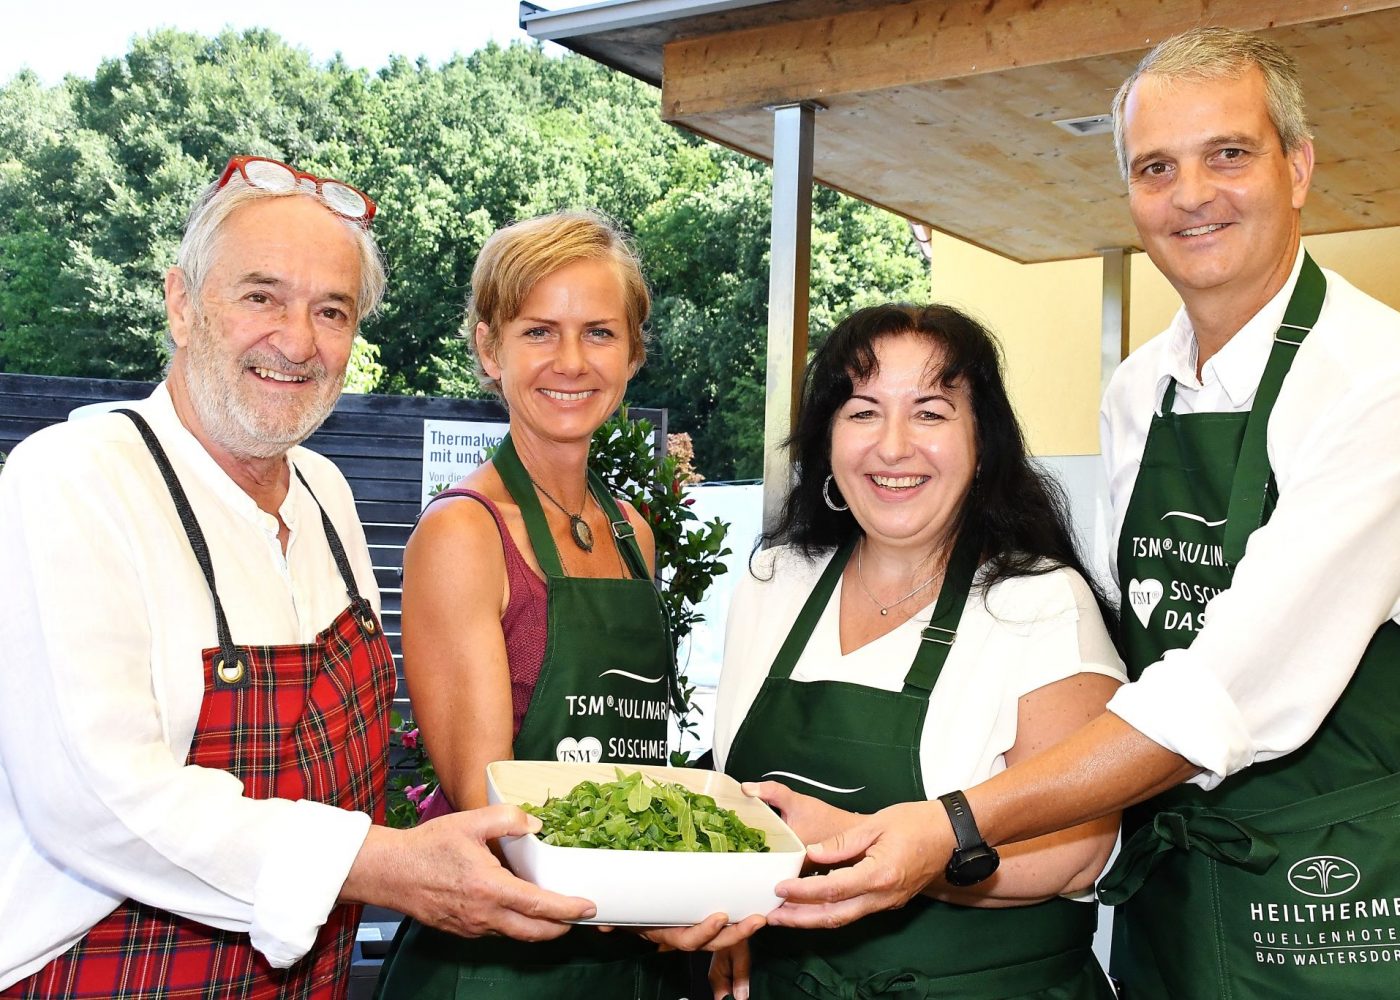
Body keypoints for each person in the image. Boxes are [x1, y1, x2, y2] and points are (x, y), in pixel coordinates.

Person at [766, 26, 1400, 999]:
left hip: (1337, 896)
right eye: (1155, 167)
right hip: (1170, 896)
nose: (1191, 194)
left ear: (1299, 166)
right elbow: (1141, 640)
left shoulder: (1373, 380)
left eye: (1228, 153)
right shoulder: (1138, 390)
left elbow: (1218, 692)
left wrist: (951, 824)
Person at [0, 157, 594, 998]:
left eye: (332, 311)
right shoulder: (75, 477)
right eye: (262, 297)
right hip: (105, 972)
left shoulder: (325, 491)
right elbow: (94, 803)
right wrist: (379, 864)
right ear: (181, 303)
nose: (298, 341)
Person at [707, 303, 1124, 999]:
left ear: (982, 444)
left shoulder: (1041, 601)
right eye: (862, 412)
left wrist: (875, 847)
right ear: (827, 441)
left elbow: (1078, 853)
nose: (893, 446)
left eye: (930, 413)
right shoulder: (774, 582)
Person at [375, 211, 743, 999]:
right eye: (539, 331)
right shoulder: (464, 533)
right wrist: (658, 900)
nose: (571, 361)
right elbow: (488, 806)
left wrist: (700, 885)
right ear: (490, 349)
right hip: (497, 965)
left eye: (599, 333)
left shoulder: (633, 533)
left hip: (625, 962)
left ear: (634, 353)